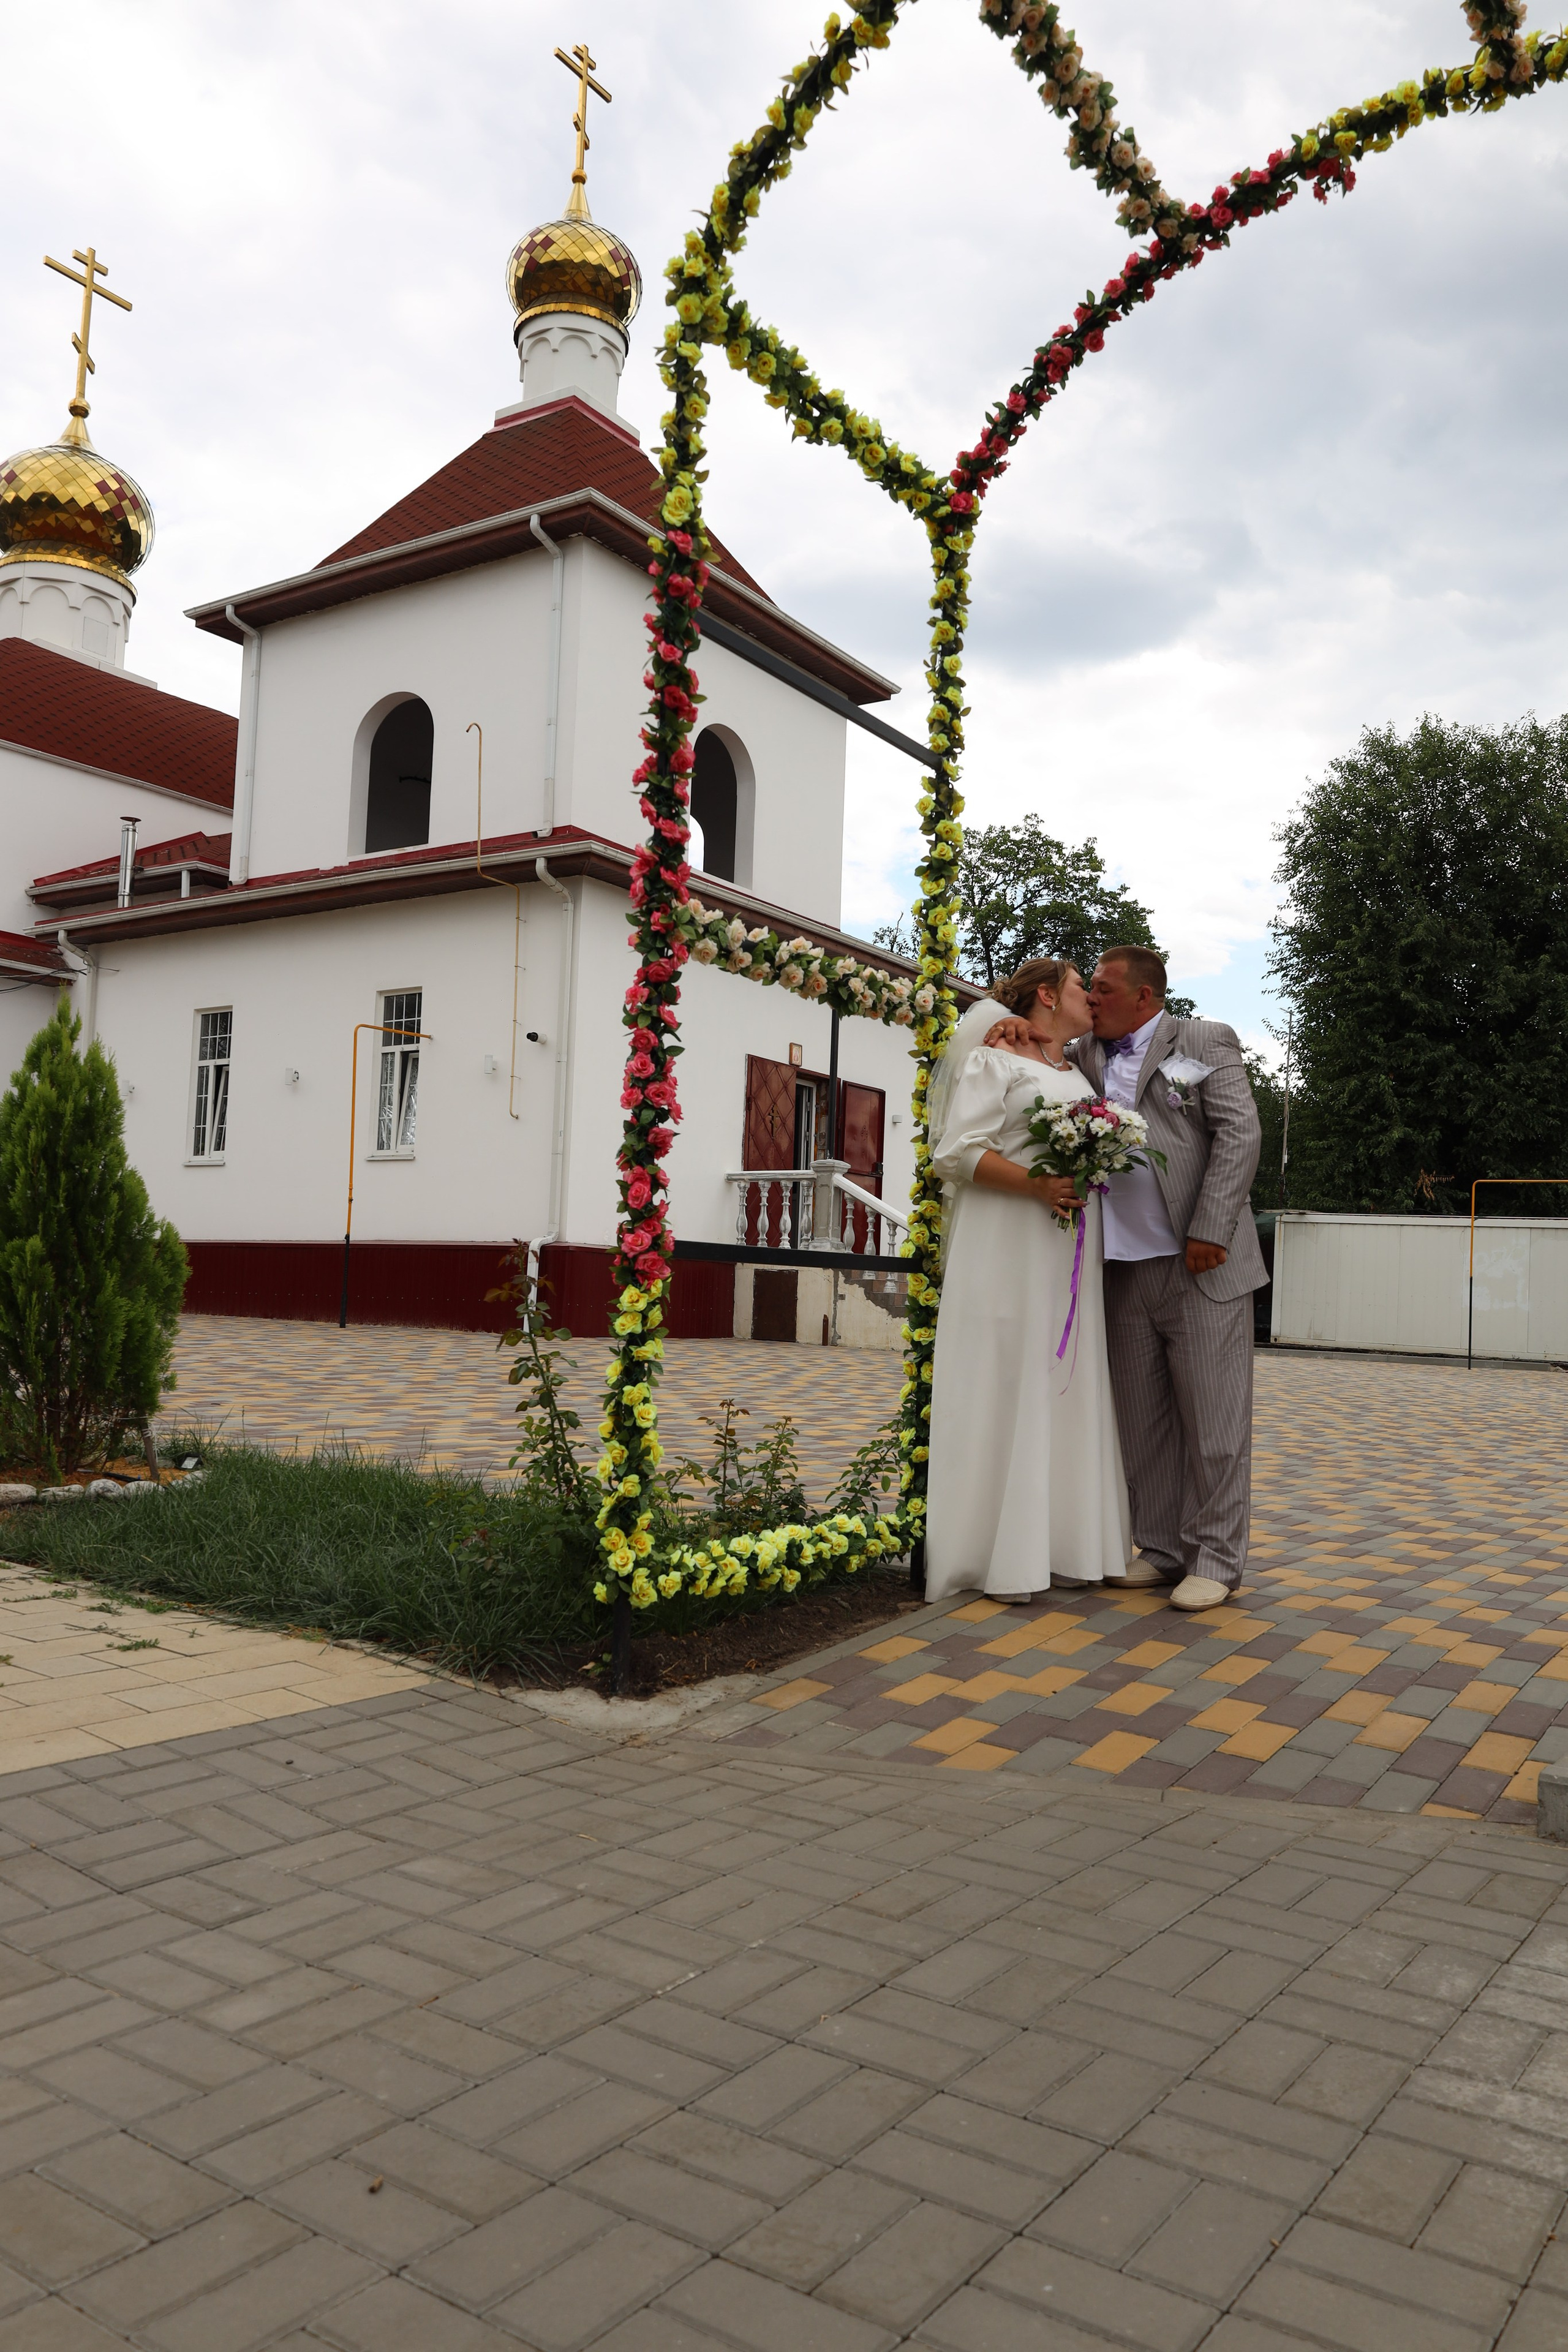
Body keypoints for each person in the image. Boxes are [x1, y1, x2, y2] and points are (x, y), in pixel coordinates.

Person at [987, 945, 1264, 1610]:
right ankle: (1163, 1549)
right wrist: (1015, 1024)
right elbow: (1035, 1051)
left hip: (1201, 1264)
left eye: (1103, 988)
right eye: (1087, 988)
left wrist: (1210, 1228)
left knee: (1215, 1425)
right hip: (1116, 1270)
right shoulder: (1083, 1055)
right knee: (1142, 1426)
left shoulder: (1202, 1040)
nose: (1091, 998)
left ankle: (1217, 1560)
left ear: (1145, 996)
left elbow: (1240, 1133)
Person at [924, 959, 1133, 1603]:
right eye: (1079, 987)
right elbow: (955, 1151)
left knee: (1062, 1383)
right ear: (1045, 994)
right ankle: (991, 1556)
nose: (1090, 998)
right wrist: (1036, 1184)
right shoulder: (995, 1058)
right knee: (1004, 1377)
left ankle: (1062, 1547)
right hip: (1006, 1243)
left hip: (1066, 1252)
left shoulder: (1078, 1071)